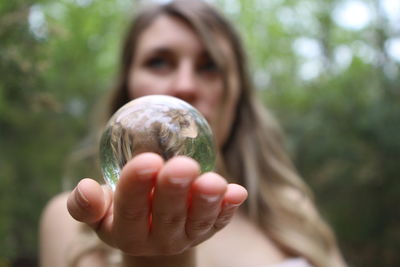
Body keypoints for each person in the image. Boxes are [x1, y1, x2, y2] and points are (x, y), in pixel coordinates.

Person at [40, 1, 347, 266]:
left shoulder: (291, 209)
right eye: (158, 62)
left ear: (238, 97)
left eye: (210, 66)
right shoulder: (74, 221)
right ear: (127, 90)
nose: (185, 85)